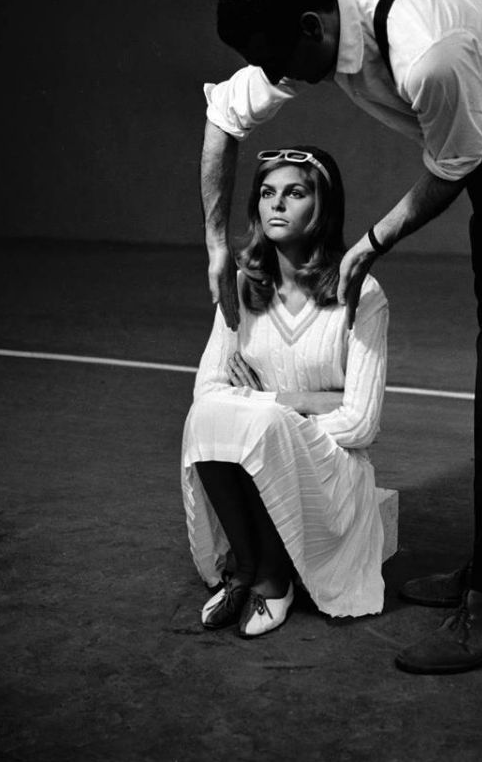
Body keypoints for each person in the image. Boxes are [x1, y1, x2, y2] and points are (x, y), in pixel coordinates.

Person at [197, 0, 482, 670]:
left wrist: (368, 244)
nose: (274, 79)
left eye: (276, 62)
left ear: (311, 27)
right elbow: (223, 117)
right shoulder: (310, 32)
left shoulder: (426, 52)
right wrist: (215, 244)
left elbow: (454, 164)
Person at [181, 145, 389, 638]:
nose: (276, 204)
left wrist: (270, 404)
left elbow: (361, 423)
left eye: (294, 193)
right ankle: (246, 568)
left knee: (260, 424)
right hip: (263, 453)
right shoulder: (241, 285)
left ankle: (275, 580)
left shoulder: (362, 293)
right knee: (207, 418)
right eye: (266, 192)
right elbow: (208, 393)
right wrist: (315, 401)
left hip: (330, 470)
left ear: (323, 206)